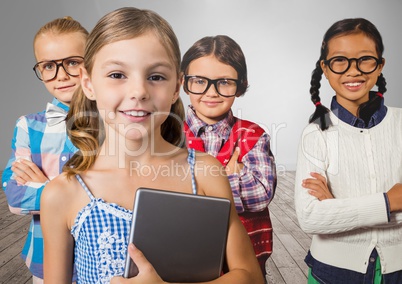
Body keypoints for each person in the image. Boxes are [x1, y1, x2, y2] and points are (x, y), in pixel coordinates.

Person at [40, 7, 264, 284]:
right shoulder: (62, 193)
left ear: (175, 88)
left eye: (155, 76)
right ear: (88, 84)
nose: (139, 92)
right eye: (117, 75)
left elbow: (251, 276)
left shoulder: (204, 173)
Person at [294, 17, 402, 283]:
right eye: (340, 61)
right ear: (326, 68)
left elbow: (326, 216)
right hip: (330, 273)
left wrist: (336, 206)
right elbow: (311, 217)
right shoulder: (315, 133)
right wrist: (389, 203)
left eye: (365, 59)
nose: (353, 71)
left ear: (380, 66)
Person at [180, 35, 277, 275]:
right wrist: (228, 177)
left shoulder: (254, 136)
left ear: (240, 84)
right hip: (184, 258)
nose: (211, 92)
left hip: (245, 263)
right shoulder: (168, 135)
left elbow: (261, 193)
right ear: (184, 82)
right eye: (199, 81)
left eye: (224, 82)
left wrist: (197, 186)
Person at [1, 16, 88, 283]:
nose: (60, 75)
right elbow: (15, 197)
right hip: (43, 255)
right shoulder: (28, 126)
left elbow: (119, 198)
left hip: (98, 258)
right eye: (48, 66)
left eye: (73, 62)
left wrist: (45, 188)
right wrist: (79, 199)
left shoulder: (114, 125)